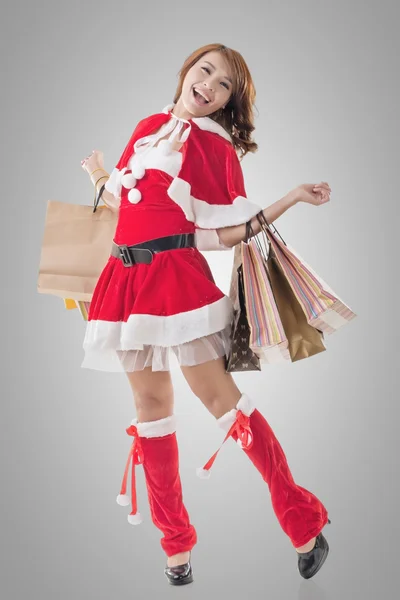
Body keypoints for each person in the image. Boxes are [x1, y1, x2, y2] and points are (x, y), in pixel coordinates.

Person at [80, 43, 332, 586]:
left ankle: (302, 519)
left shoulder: (215, 147)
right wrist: (100, 174)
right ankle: (176, 547)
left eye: (224, 85)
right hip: (124, 283)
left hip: (176, 280)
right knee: (150, 410)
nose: (210, 85)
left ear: (226, 103)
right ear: (187, 71)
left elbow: (220, 234)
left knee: (223, 402)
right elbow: (127, 201)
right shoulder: (148, 125)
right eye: (206, 70)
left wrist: (288, 199)